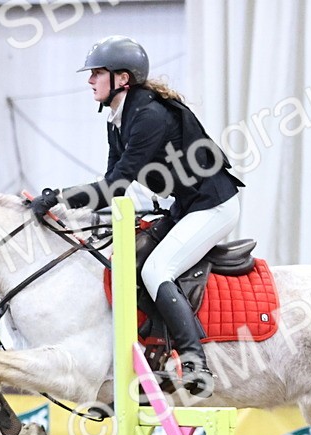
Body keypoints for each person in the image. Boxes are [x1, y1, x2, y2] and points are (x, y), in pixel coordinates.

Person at [30, 35, 243, 397]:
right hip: (185, 207)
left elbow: (114, 186)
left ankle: (194, 359)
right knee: (127, 259)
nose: (90, 80)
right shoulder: (119, 118)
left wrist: (59, 198)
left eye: (97, 73)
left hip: (213, 206)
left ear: (122, 78)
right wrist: (60, 211)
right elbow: (113, 189)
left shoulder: (149, 116)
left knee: (157, 269)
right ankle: (156, 349)